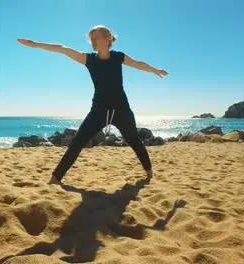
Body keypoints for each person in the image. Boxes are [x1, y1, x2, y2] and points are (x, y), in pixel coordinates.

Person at [17, 25, 168, 185]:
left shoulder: (118, 57)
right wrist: (35, 44)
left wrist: (154, 70)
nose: (93, 41)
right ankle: (55, 179)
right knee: (77, 142)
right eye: (92, 38)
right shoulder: (89, 59)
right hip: (98, 110)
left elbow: (138, 64)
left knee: (134, 140)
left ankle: (149, 173)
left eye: (96, 37)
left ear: (107, 39)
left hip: (122, 109)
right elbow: (63, 49)